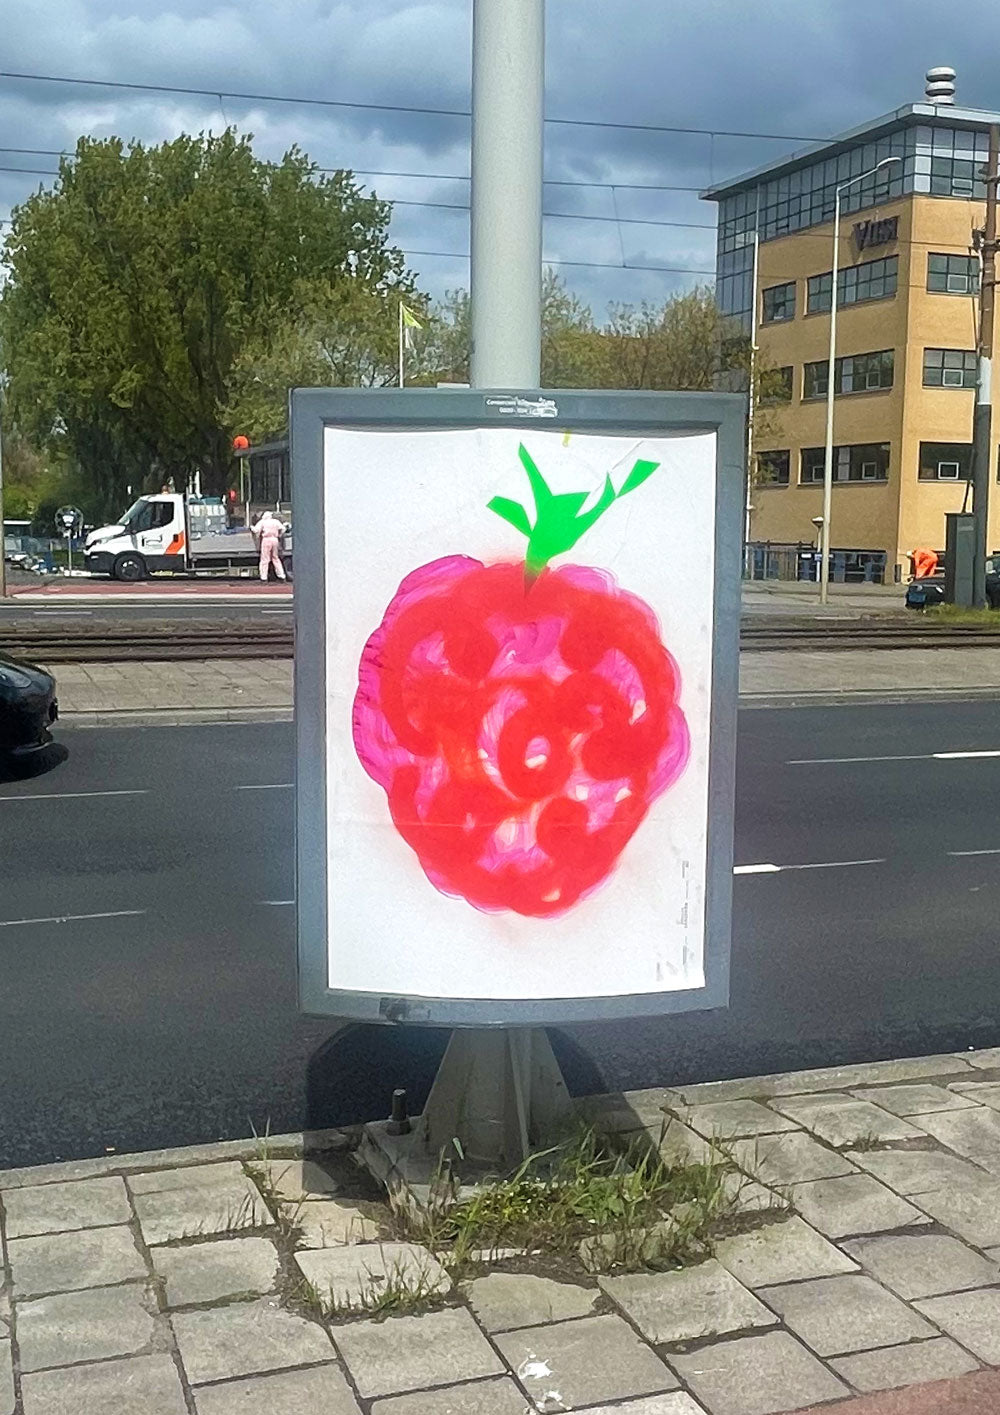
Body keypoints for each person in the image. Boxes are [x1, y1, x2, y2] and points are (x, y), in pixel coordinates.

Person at [252, 510, 287, 583]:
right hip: (275, 539)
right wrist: (280, 535)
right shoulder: (276, 521)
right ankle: (282, 576)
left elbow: (256, 530)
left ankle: (264, 578)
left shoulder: (262, 522)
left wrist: (251, 527)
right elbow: (283, 528)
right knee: (275, 558)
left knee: (264, 559)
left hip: (266, 540)